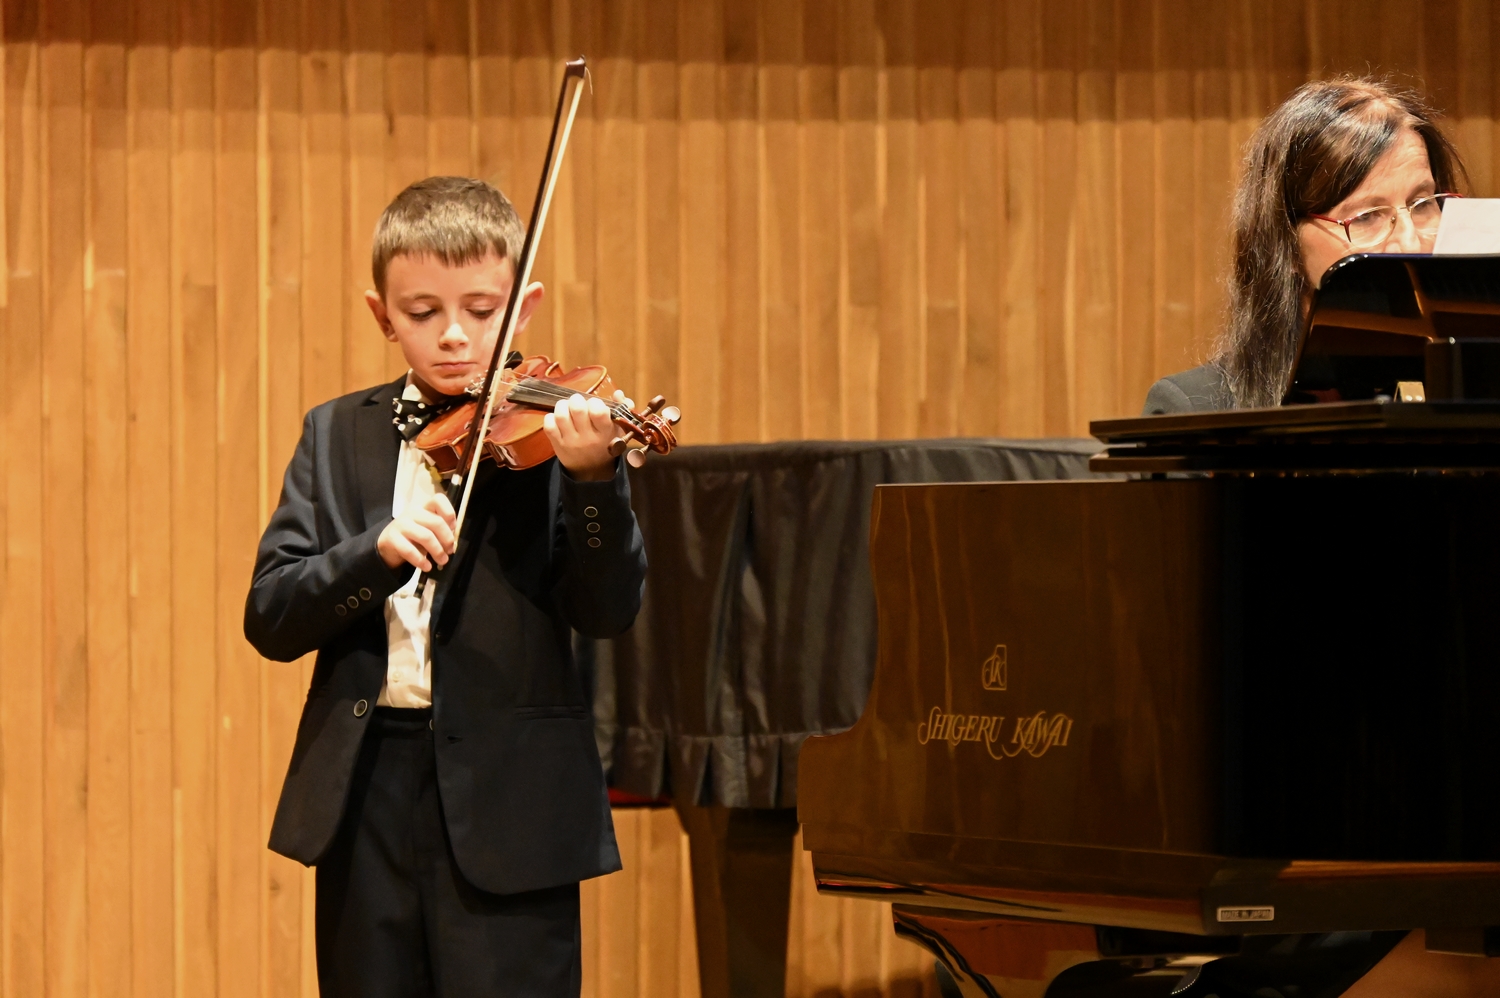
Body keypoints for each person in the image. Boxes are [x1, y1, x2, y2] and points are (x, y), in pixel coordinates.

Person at [244, 176, 646, 997]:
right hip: (365, 797)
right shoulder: (334, 432)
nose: (455, 335)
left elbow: (609, 611)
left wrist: (594, 483)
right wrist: (373, 552)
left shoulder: (557, 435)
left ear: (524, 308)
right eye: (423, 312)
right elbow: (272, 615)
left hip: (513, 804)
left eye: (481, 309)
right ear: (382, 314)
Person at [1143, 77, 1468, 414]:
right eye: (1365, 217)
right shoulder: (1192, 406)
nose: (1411, 241)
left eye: (1423, 203)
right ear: (1289, 246)